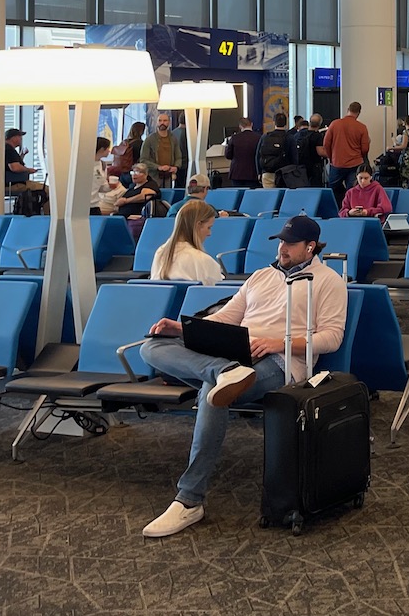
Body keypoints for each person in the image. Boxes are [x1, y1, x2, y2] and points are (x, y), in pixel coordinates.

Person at [140, 215, 347, 538]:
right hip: (234, 357)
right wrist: (180, 328)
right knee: (151, 347)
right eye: (280, 242)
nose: (282, 248)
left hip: (281, 364)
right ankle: (225, 373)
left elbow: (332, 338)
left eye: (290, 244)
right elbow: (225, 319)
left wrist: (275, 343)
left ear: (310, 247)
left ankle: (189, 499)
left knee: (213, 391)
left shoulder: (327, 280)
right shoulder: (261, 277)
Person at [149, 199, 225, 284]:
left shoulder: (160, 253)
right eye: (209, 228)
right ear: (198, 225)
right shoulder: (203, 261)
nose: (209, 233)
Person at [322, 101, 371, 192]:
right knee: (353, 190)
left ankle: (338, 204)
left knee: (333, 189)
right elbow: (365, 148)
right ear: (359, 113)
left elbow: (326, 143)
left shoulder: (335, 124)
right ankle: (350, 205)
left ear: (348, 110)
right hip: (355, 163)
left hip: (337, 162)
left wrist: (331, 157)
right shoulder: (362, 127)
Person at [4, 128, 48, 212]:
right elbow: (15, 168)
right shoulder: (9, 150)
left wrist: (22, 155)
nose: (21, 139)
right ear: (13, 138)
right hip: (16, 184)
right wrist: (28, 170)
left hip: (12, 183)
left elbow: (15, 163)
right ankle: (49, 217)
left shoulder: (6, 149)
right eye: (19, 137)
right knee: (47, 190)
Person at [139, 112, 186, 188]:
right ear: (156, 122)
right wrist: (158, 167)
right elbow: (143, 160)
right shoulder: (149, 140)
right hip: (154, 176)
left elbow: (178, 156)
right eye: (160, 120)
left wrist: (176, 167)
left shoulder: (173, 139)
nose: (162, 123)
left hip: (168, 176)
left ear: (169, 122)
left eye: (165, 120)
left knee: (167, 196)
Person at [223, 118, 262, 189]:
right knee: (251, 196)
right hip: (253, 174)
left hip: (237, 173)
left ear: (240, 126)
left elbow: (228, 155)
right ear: (252, 124)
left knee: (238, 196)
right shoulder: (259, 138)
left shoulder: (234, 138)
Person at [90, 136, 123, 215]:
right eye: (108, 148)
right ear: (102, 149)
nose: (109, 151)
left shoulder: (102, 165)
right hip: (81, 205)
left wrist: (111, 186)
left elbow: (102, 187)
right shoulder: (83, 164)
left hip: (94, 205)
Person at [256, 114, 289, 189]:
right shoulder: (289, 137)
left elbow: (258, 155)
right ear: (286, 123)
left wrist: (259, 172)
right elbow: (294, 156)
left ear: (274, 122)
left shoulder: (265, 136)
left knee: (269, 198)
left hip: (267, 172)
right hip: (285, 173)